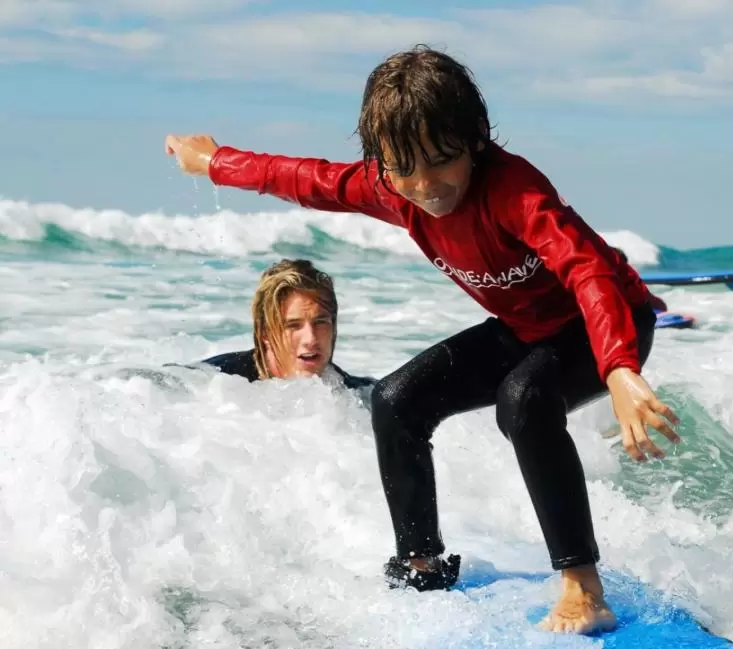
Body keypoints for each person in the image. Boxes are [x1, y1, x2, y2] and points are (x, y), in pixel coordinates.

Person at [163, 44, 680, 635]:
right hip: (525, 329)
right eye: (403, 167)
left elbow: (586, 269)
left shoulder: (515, 192)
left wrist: (617, 367)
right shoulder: (390, 186)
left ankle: (584, 588)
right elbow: (304, 179)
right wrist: (214, 162)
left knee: (524, 401)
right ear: (381, 161)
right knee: (397, 400)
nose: (425, 184)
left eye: (441, 161)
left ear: (476, 140)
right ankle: (421, 564)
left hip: (604, 322)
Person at [191, 258, 376, 408]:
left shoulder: (361, 397)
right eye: (293, 325)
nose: (310, 339)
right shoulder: (217, 381)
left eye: (320, 322)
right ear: (265, 333)